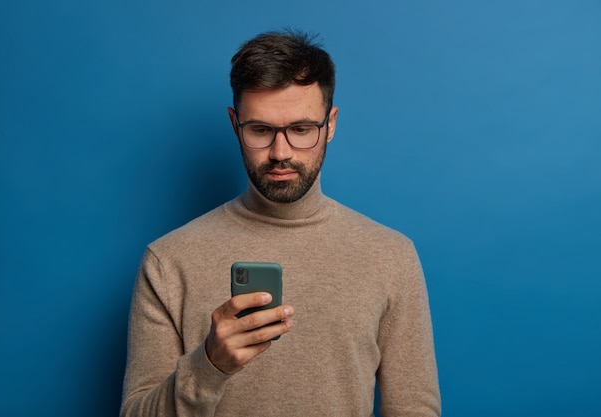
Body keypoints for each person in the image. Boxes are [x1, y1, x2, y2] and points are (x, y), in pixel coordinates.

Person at [120, 30, 441, 417]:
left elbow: (414, 409)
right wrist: (210, 365)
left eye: (302, 129)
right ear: (234, 124)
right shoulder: (168, 261)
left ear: (331, 124)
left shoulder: (391, 256)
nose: (281, 152)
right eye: (260, 130)